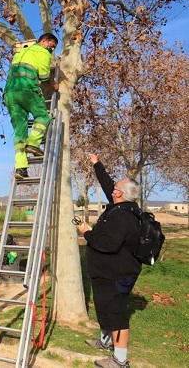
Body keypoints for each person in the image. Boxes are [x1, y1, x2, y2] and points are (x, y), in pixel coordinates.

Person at [77, 154, 142, 368]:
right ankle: (106, 341)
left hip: (116, 275)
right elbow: (106, 182)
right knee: (104, 309)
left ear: (119, 193)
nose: (112, 187)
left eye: (116, 186)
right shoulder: (120, 206)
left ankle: (120, 361)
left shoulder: (122, 217)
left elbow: (108, 245)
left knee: (116, 316)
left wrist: (86, 232)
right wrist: (96, 163)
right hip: (106, 274)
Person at [4, 33, 59, 180]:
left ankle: (21, 169)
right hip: (27, 89)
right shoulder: (42, 52)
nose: (52, 49)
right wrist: (54, 85)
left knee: (19, 133)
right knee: (43, 116)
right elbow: (44, 77)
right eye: (52, 45)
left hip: (9, 93)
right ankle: (34, 143)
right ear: (44, 41)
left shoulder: (20, 52)